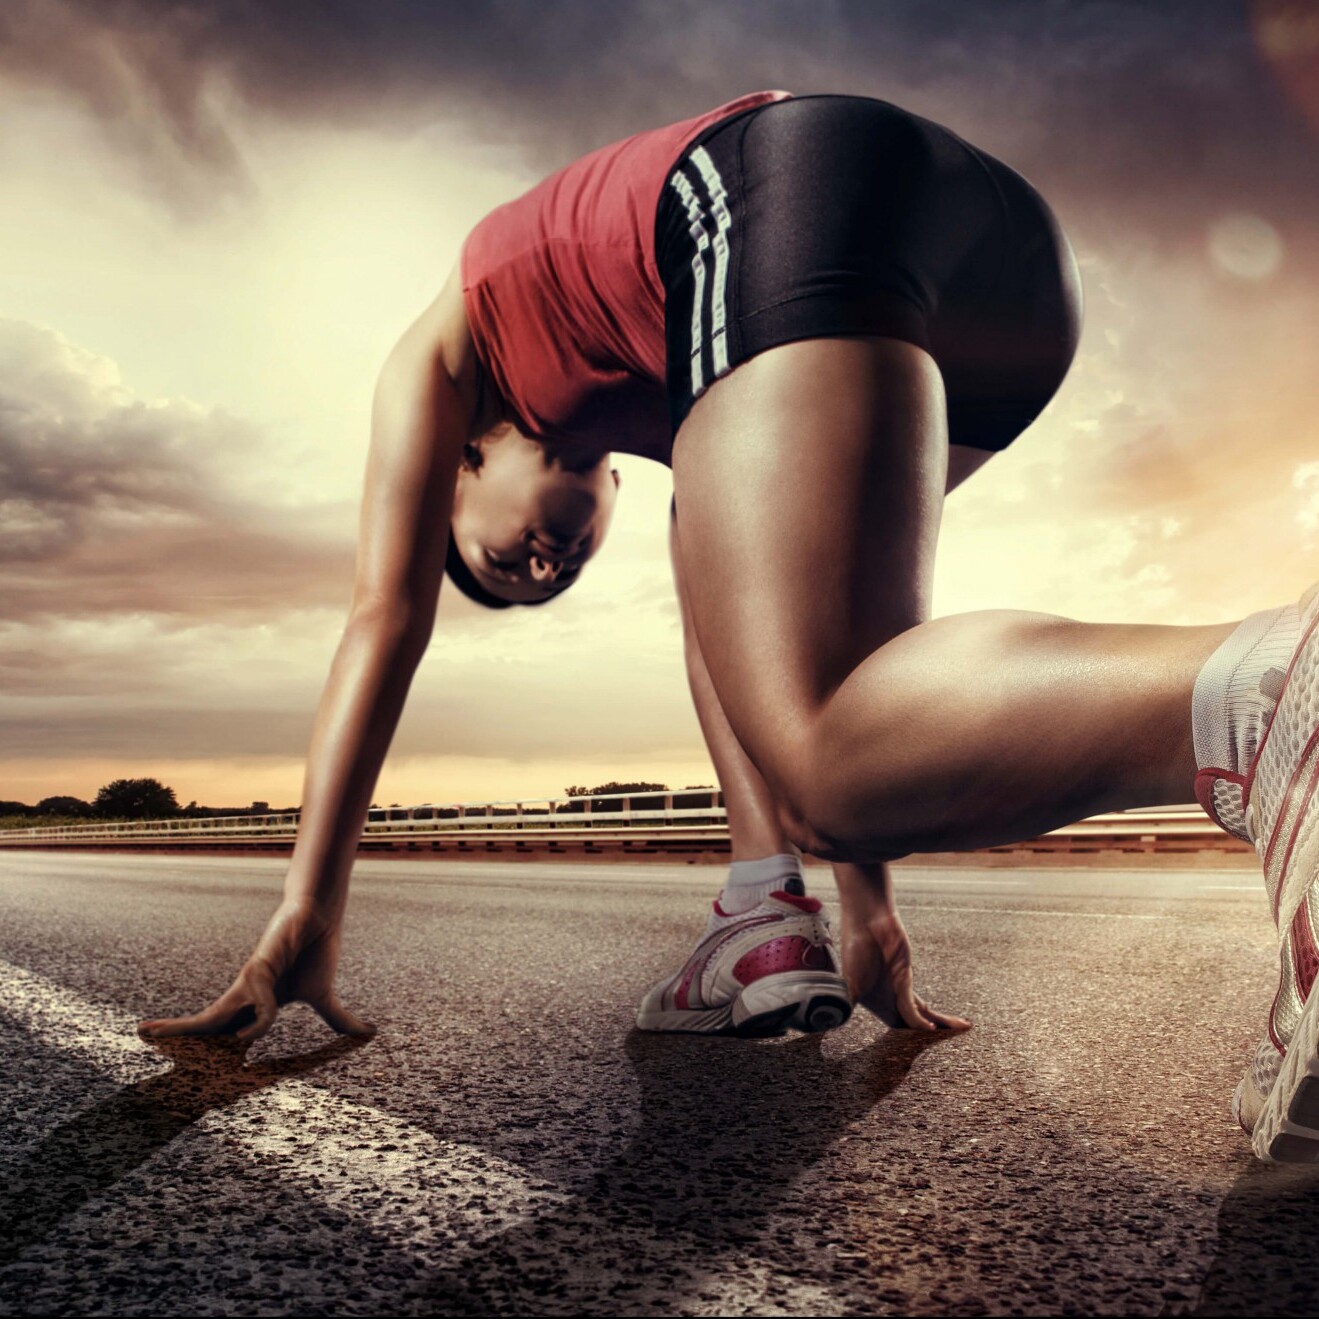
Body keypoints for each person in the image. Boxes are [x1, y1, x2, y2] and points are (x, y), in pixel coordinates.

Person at [139, 91, 1319, 1162]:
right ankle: (766, 910)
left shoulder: (444, 351)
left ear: (462, 464)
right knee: (819, 714)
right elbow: (802, 659)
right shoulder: (691, 388)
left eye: (512, 557)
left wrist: (305, 908)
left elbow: (381, 618)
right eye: (545, 581)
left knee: (824, 758)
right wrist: (866, 911)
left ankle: (1264, 687)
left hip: (793, 183)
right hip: (999, 275)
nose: (545, 561)